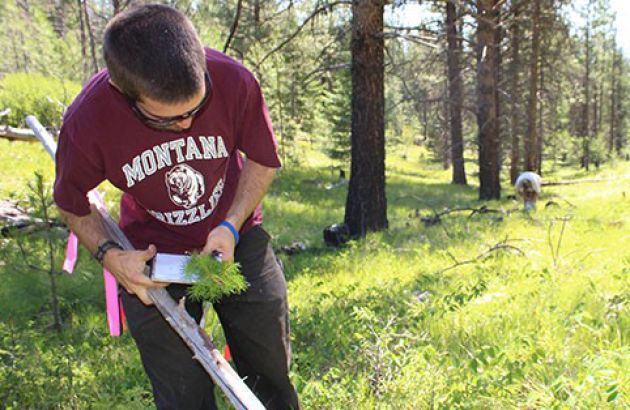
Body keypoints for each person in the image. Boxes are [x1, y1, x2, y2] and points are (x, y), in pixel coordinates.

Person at [52, 4, 300, 409]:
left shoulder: (234, 81)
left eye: (196, 109)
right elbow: (72, 202)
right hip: (151, 256)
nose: (186, 124)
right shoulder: (88, 120)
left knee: (269, 372)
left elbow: (263, 159)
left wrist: (232, 225)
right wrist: (111, 257)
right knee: (181, 394)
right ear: (123, 94)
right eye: (167, 120)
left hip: (237, 240)